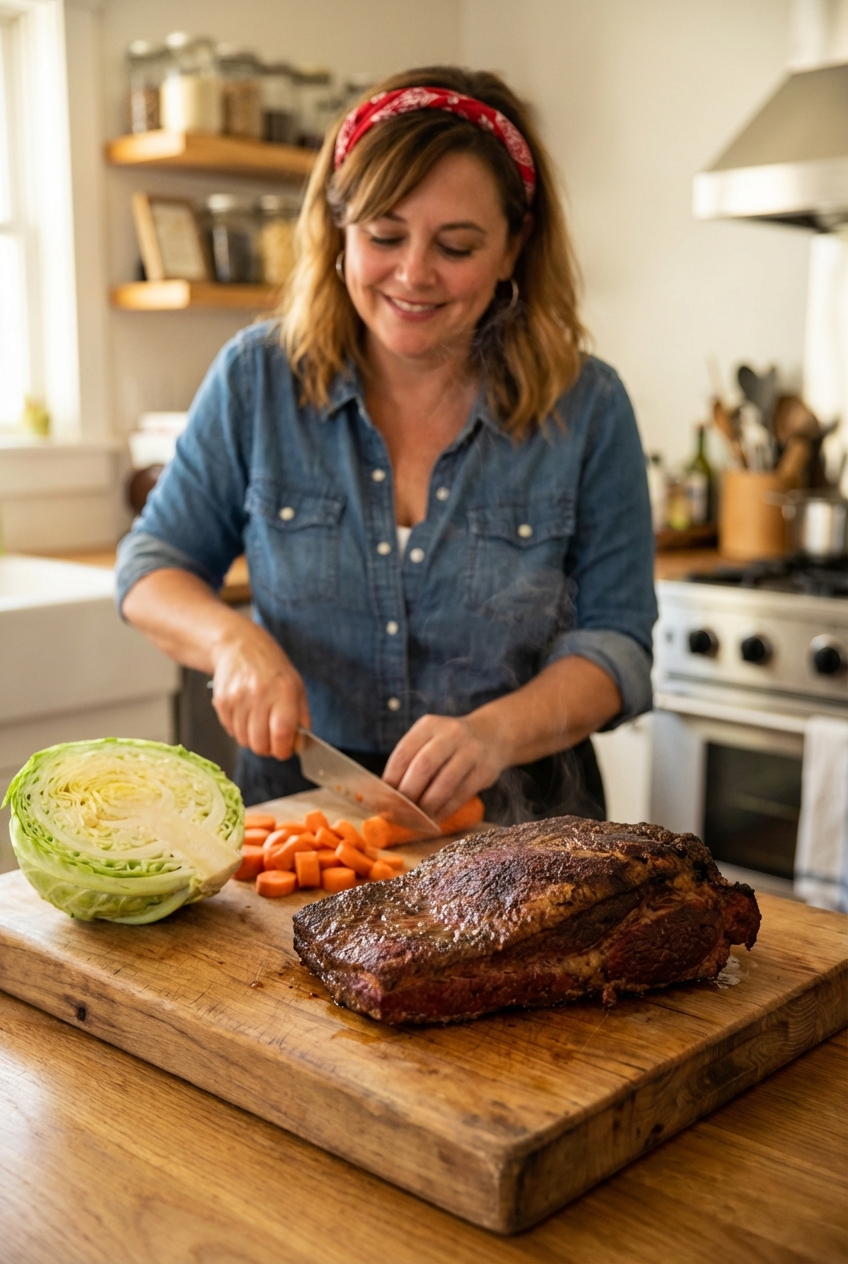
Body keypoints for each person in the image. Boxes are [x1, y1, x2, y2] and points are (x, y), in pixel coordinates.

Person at [117, 66, 657, 825]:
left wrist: (494, 734)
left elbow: (618, 646)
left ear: (513, 247)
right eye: (384, 235)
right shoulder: (256, 378)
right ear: (339, 234)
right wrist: (234, 642)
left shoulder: (588, 405)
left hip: (521, 827)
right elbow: (151, 568)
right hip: (303, 817)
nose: (413, 274)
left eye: (457, 245)